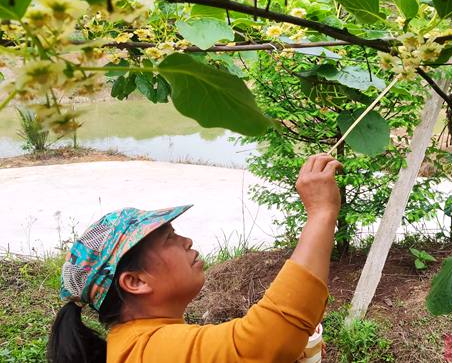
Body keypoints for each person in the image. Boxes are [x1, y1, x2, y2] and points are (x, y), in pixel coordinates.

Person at [47, 153, 342, 363]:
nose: (187, 241)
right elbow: (261, 343)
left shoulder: (144, 341)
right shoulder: (149, 351)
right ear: (135, 281)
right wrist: (321, 213)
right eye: (169, 239)